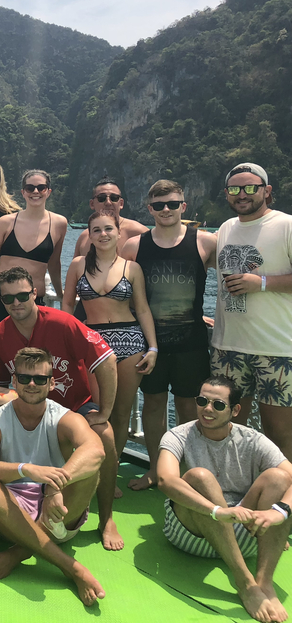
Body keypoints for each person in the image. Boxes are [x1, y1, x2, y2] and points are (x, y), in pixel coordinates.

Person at [0, 267, 123, 550]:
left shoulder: (63, 323)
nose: (16, 303)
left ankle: (106, 518)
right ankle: (17, 502)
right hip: (30, 406)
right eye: (8, 299)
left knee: (104, 434)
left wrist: (104, 411)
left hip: (74, 407)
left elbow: (106, 358)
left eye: (22, 295)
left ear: (35, 293)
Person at [0, 347, 107, 607]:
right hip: (13, 512)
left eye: (40, 379)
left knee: (91, 473)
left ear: (52, 382)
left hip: (57, 512)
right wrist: (27, 469)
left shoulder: (62, 416)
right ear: (14, 382)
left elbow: (96, 449)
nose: (31, 384)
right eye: (24, 378)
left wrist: (55, 487)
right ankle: (71, 567)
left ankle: (19, 552)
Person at [157, 376, 292, 623]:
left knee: (277, 477)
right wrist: (216, 511)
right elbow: (166, 480)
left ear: (235, 409)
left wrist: (280, 512)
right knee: (200, 477)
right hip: (191, 533)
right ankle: (245, 583)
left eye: (218, 404)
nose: (207, 409)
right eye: (202, 401)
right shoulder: (177, 436)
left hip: (243, 531)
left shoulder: (252, 439)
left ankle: (264, 581)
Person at [121, 179, 217, 491]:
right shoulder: (135, 246)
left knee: (189, 407)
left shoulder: (205, 242)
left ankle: (187, 470)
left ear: (183, 207)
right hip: (151, 343)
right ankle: (154, 467)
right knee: (153, 403)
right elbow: (122, 291)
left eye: (173, 204)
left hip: (192, 342)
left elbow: (234, 277)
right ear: (149, 209)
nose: (166, 210)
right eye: (159, 205)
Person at [63, 211, 158, 492]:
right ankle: (90, 470)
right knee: (94, 411)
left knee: (120, 412)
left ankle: (109, 474)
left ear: (119, 233)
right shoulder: (78, 265)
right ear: (89, 235)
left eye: (108, 229)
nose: (103, 234)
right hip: (92, 343)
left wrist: (152, 347)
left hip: (129, 341)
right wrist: (66, 340)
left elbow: (142, 309)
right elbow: (67, 305)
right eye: (96, 230)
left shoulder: (132, 268)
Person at [211, 162, 292, 459]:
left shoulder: (286, 225)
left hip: (277, 349)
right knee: (228, 427)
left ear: (267, 191)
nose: (242, 194)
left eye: (250, 188)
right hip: (227, 347)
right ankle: (236, 493)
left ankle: (282, 500)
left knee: (279, 433)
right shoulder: (225, 228)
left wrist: (262, 283)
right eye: (234, 188)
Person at [0, 169, 67, 321]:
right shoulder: (6, 222)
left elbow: (54, 263)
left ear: (48, 191)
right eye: (30, 188)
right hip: (2, 300)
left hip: (34, 302)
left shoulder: (59, 223)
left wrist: (61, 294)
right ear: (23, 192)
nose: (35, 191)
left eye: (41, 188)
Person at [72, 176, 149, 258]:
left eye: (114, 198)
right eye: (101, 198)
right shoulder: (84, 237)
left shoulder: (139, 233)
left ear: (121, 203)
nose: (108, 202)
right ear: (92, 204)